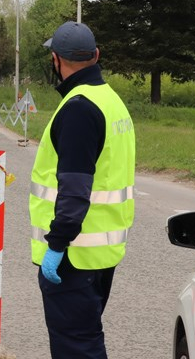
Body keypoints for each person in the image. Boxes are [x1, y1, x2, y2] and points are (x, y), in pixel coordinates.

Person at [29, 21, 136, 358]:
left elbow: (75, 190)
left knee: (77, 348)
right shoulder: (110, 100)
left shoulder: (78, 108)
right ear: (96, 56)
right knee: (83, 341)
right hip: (101, 255)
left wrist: (57, 245)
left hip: (73, 257)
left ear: (56, 60)